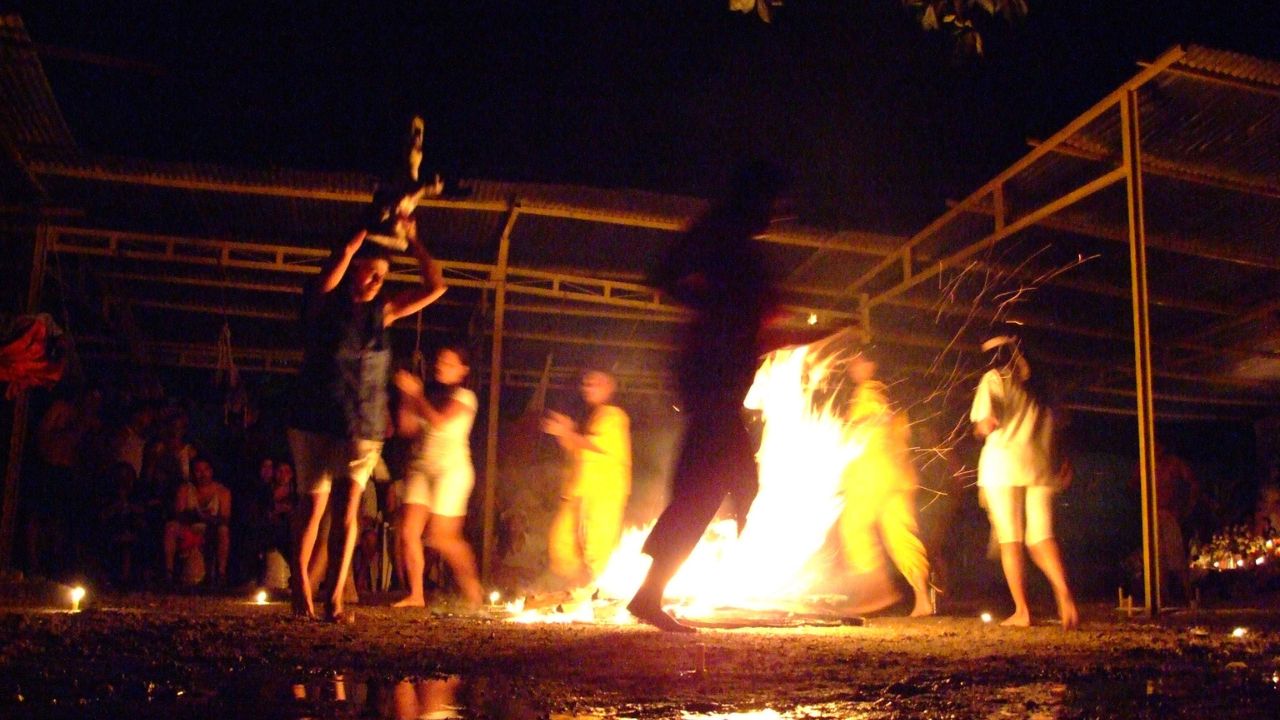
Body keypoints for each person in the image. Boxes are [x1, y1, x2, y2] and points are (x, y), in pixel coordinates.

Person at [627, 160, 786, 632]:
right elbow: (663, 274)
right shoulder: (721, 234)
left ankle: (648, 595)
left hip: (718, 387)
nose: (775, 216)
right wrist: (713, 308)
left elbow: (754, 323)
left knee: (711, 486)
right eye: (774, 206)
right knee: (723, 483)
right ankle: (650, 595)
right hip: (711, 386)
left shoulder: (736, 245)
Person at [287, 214, 446, 621]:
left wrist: (414, 239)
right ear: (354, 269)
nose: (376, 281)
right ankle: (301, 583)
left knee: (347, 511)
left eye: (381, 275)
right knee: (311, 508)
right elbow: (334, 266)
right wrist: (359, 237)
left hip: (361, 422)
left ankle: (335, 598)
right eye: (370, 272)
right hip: (315, 416)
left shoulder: (383, 312)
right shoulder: (324, 302)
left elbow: (435, 286)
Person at [970, 335, 1078, 630]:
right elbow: (1059, 428)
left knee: (1011, 539)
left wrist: (978, 429)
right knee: (1041, 537)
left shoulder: (995, 379)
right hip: (1040, 466)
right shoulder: (1043, 388)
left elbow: (987, 423)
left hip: (1003, 466)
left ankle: (1022, 611)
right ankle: (1065, 594)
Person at [837, 347, 933, 616]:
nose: (851, 367)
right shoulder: (896, 395)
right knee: (901, 536)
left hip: (873, 475)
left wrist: (847, 430)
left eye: (856, 361)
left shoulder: (869, 390)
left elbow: (874, 420)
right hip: (899, 477)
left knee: (853, 528)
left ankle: (876, 591)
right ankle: (923, 600)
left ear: (871, 365)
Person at [390, 344, 483, 607]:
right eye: (440, 362)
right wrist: (406, 396)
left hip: (451, 470)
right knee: (408, 531)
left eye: (450, 363)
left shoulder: (466, 397)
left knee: (442, 536)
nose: (441, 366)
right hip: (421, 466)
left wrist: (416, 394)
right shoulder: (427, 395)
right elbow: (406, 428)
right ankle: (416, 594)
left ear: (462, 371)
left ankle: (473, 589)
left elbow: (440, 422)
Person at [542, 369, 632, 587]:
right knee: (562, 544)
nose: (588, 387)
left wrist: (568, 432)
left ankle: (593, 592)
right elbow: (577, 447)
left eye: (595, 383)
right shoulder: (594, 416)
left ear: (610, 386)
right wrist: (566, 433)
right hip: (582, 491)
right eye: (586, 383)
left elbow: (599, 445)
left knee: (596, 548)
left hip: (605, 492)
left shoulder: (613, 415)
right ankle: (582, 589)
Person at [163, 456, 233, 587]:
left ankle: (221, 574)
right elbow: (178, 514)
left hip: (210, 530)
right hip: (188, 528)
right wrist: (194, 516)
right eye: (198, 470)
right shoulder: (185, 489)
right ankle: (169, 572)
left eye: (205, 470)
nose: (202, 474)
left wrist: (206, 518)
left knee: (223, 531)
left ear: (211, 471)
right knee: (171, 527)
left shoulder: (222, 491)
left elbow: (225, 518)